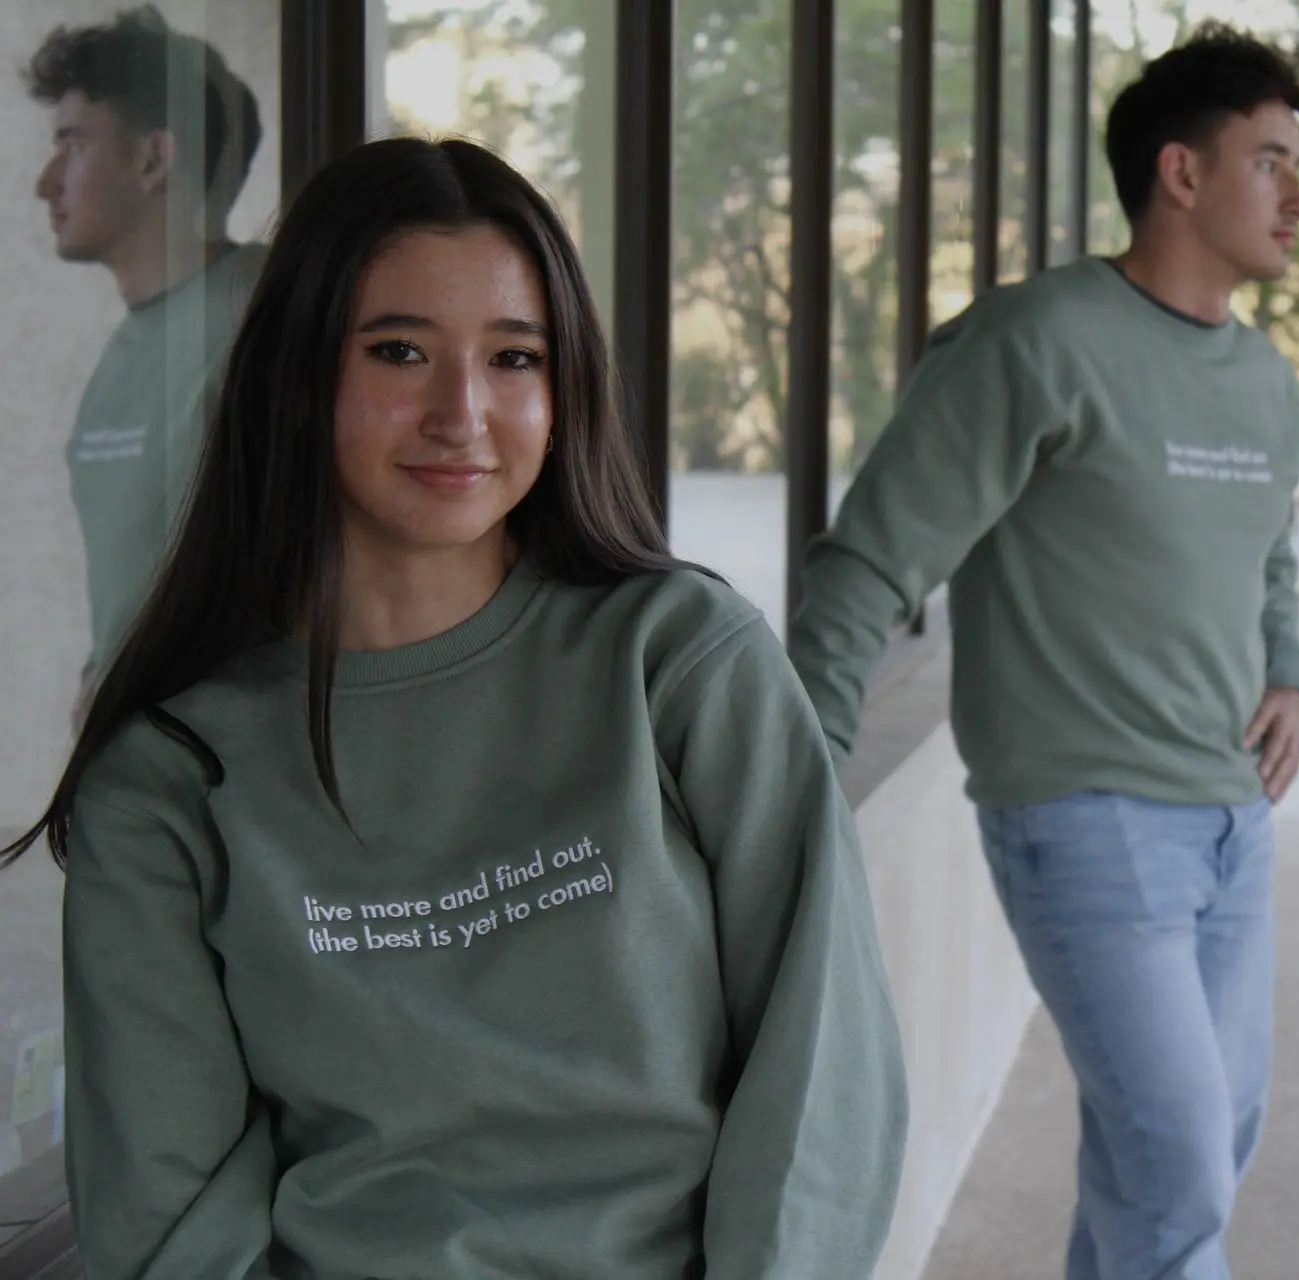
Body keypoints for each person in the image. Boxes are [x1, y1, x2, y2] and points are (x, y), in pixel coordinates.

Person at [0, 136, 908, 1279]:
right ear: (294, 374)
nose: (462, 411)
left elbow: (822, 1064)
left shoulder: (678, 662)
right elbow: (167, 1210)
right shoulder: (173, 772)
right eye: (397, 350)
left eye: (516, 357)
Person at [787, 23, 1299, 1280]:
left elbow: (1271, 559)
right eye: (1272, 161)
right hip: (1084, 816)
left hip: (1231, 817)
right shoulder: (1033, 342)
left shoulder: (1264, 381)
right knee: (1182, 1163)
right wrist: (800, 774)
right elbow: (868, 558)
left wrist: (1290, 668)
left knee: (1188, 1154)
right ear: (1181, 174)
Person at [27, 5, 266, 702]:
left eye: (72, 145)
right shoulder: (125, 349)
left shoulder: (269, 316)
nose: (47, 182)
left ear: (153, 157)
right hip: (137, 765)